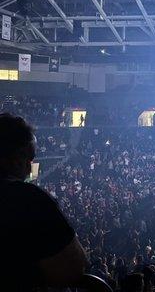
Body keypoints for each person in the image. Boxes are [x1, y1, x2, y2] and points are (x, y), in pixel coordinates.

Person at [0, 113, 87, 291]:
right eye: (30, 157)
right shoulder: (28, 200)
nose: (30, 164)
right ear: (18, 157)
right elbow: (74, 267)